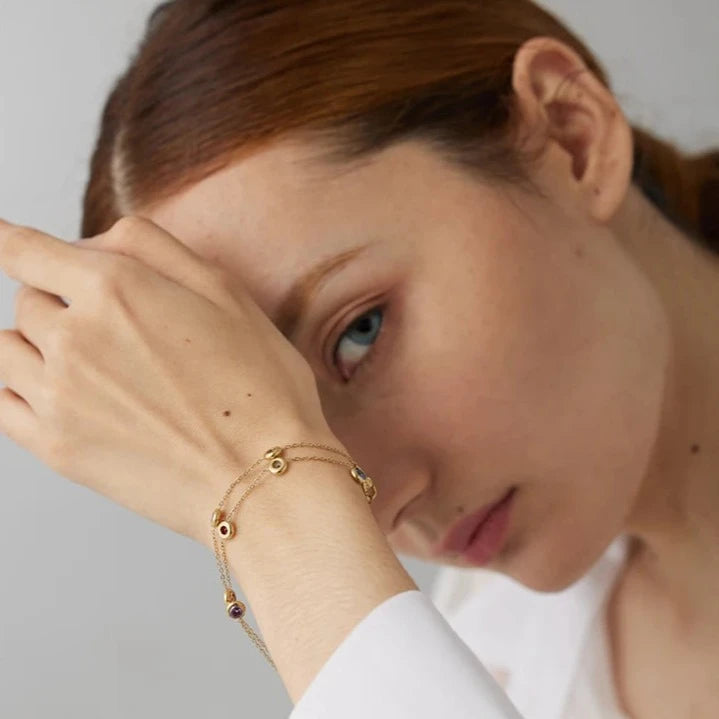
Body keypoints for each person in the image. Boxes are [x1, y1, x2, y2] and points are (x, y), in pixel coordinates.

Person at [1, 1, 717, 717]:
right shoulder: (496, 647)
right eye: (299, 422)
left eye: (359, 331)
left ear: (571, 138)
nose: (371, 501)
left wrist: (270, 514)